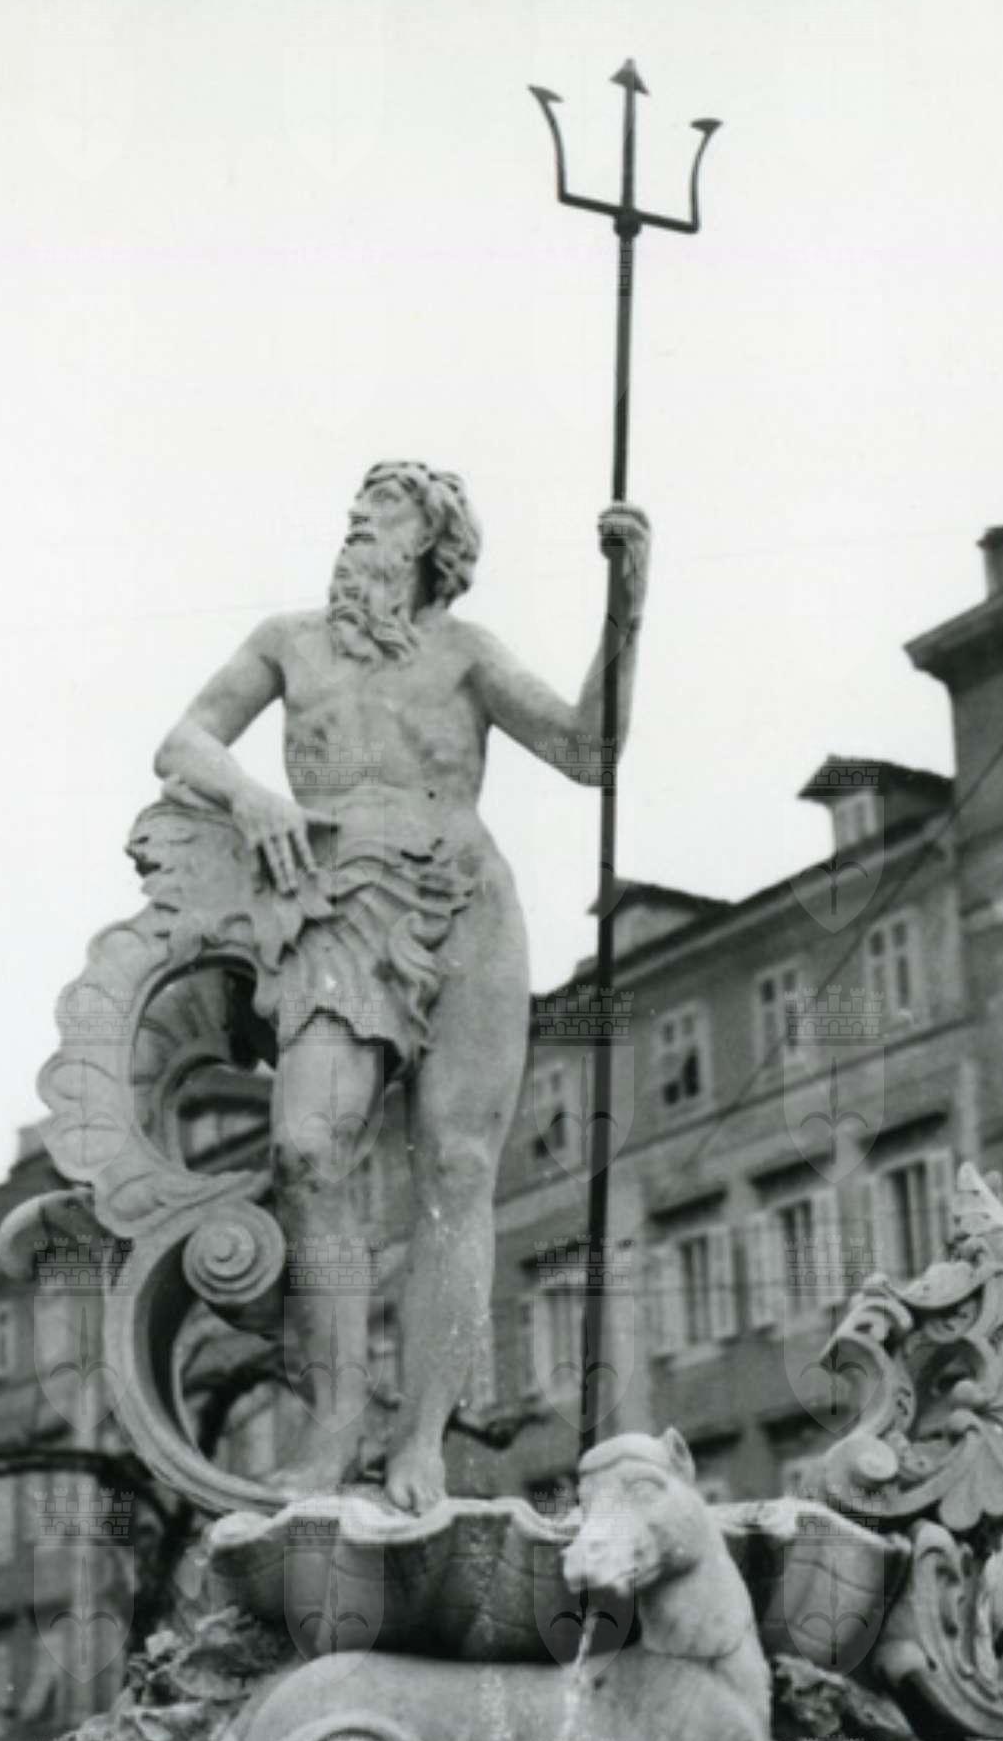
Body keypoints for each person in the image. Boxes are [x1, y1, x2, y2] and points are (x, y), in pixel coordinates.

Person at [155, 461, 650, 1510]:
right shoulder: (288, 641)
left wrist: (626, 606)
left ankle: (419, 1440)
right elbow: (184, 740)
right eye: (354, 512)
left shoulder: (466, 653)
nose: (355, 526)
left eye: (380, 513)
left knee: (457, 1168)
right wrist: (248, 796)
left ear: (431, 542)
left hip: (466, 903)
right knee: (305, 1148)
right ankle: (335, 1426)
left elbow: (588, 749)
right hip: (335, 905)